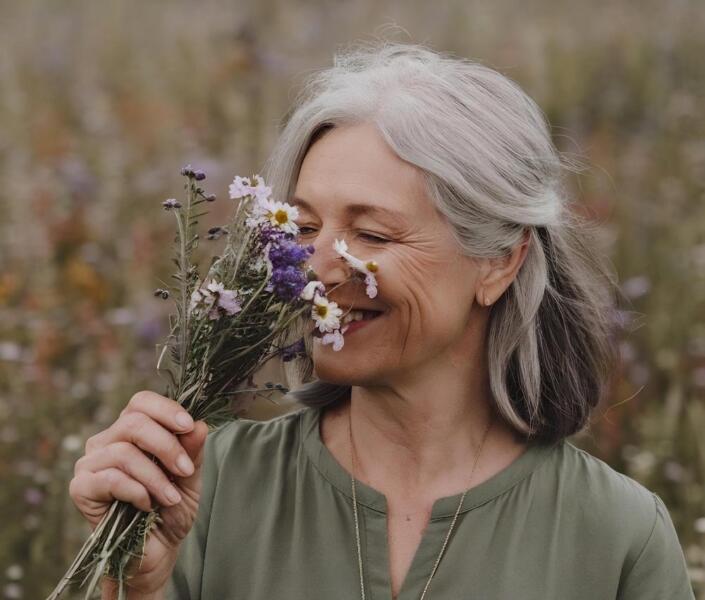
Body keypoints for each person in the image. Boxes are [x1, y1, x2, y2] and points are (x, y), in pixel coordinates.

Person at [70, 42, 695, 599]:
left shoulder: (617, 537)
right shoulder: (202, 488)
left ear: (500, 262)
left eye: (371, 233)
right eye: (304, 228)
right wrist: (132, 583)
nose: (314, 267)